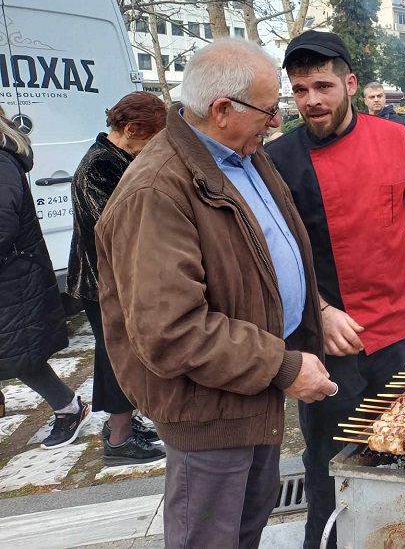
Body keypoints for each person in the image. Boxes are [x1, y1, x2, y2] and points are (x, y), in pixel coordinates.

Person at [96, 39, 335, 548]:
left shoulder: (242, 155)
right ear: (223, 110)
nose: (276, 123)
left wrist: (315, 309)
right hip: (210, 408)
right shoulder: (157, 189)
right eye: (269, 111)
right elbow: (172, 330)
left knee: (246, 529)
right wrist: (284, 366)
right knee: (209, 539)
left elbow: (264, 256)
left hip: (253, 388)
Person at [264, 31, 405, 549]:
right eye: (300, 89)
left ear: (350, 83)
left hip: (398, 332)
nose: (312, 101)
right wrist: (321, 310)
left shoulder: (396, 139)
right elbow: (273, 256)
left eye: (322, 86)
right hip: (329, 342)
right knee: (332, 467)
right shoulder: (278, 158)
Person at [67, 92, 167, 466]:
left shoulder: (117, 157)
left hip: (114, 278)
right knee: (118, 357)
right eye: (152, 139)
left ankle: (123, 426)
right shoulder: (99, 166)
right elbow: (120, 226)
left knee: (120, 354)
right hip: (102, 282)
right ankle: (119, 440)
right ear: (130, 130)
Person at [0, 105, 91, 448]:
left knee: (21, 355)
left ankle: (69, 408)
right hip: (11, 273)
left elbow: (2, 225)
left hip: (12, 277)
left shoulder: (1, 160)